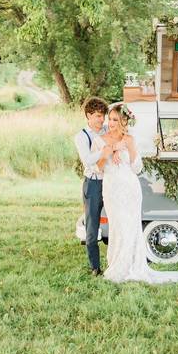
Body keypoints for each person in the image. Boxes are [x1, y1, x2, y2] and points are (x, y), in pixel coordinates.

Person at [100, 102, 178, 284]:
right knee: (117, 226)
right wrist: (110, 150)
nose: (111, 123)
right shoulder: (102, 139)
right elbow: (99, 167)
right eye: (109, 119)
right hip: (111, 189)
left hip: (129, 188)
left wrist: (127, 148)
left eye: (115, 119)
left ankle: (129, 266)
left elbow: (137, 168)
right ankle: (116, 264)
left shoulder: (130, 140)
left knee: (130, 227)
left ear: (124, 121)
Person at [74, 96, 110, 276]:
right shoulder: (82, 136)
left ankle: (118, 261)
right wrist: (103, 152)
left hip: (111, 181)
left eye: (103, 115)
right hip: (94, 184)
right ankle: (95, 267)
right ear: (88, 115)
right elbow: (87, 160)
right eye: (97, 116)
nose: (101, 119)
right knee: (92, 225)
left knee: (116, 221)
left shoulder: (107, 129)